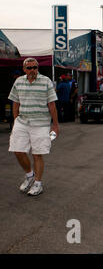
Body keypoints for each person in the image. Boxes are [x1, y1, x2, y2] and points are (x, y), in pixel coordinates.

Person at [8, 58, 59, 196]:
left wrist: (55, 125)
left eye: (35, 67)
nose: (32, 70)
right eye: (29, 68)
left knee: (37, 153)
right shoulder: (18, 81)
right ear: (24, 69)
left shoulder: (46, 81)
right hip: (22, 122)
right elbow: (15, 102)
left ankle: (38, 183)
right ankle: (29, 175)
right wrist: (15, 120)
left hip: (41, 123)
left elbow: (52, 104)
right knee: (17, 150)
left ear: (38, 68)